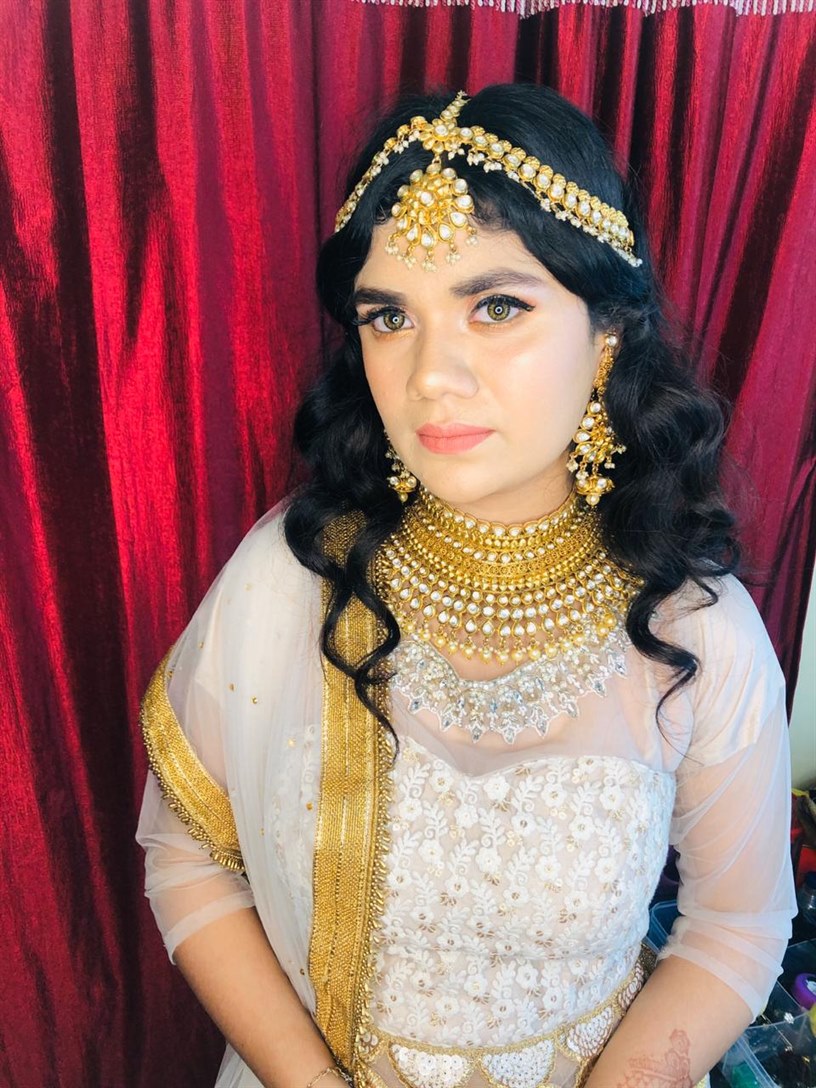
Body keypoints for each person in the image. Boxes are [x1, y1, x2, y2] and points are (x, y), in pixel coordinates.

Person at [136, 84, 798, 1088]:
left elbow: (735, 926)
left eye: (496, 307)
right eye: (389, 316)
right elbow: (189, 857)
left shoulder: (696, 631)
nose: (431, 375)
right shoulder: (293, 576)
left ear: (608, 331)